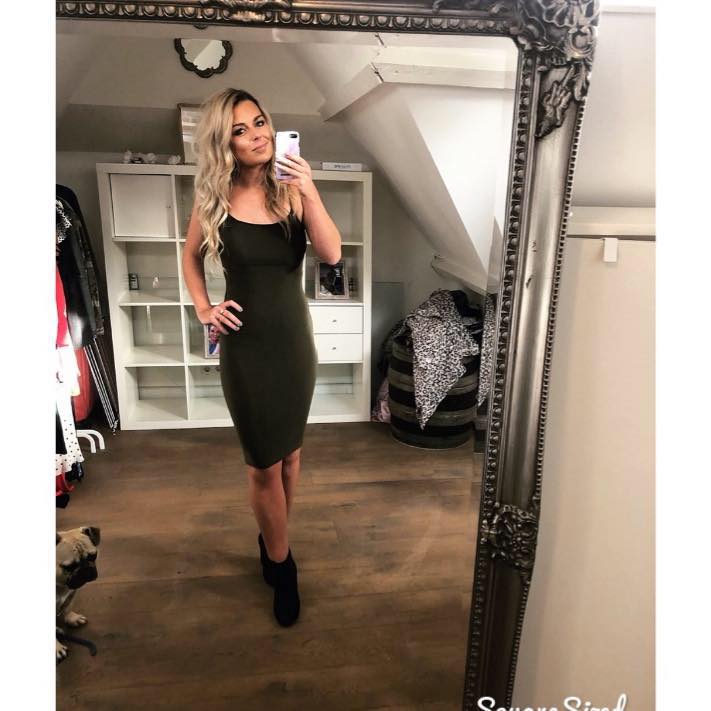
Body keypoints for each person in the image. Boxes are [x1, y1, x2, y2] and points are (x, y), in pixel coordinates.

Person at [182, 88, 341, 627]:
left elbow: (331, 253)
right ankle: (281, 563)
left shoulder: (292, 192)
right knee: (262, 464)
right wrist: (205, 309)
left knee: (290, 457)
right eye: (240, 130)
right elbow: (190, 259)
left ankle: (274, 539)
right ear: (223, 143)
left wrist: (310, 188)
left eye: (259, 123)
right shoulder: (213, 199)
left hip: (294, 343)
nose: (257, 135)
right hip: (246, 346)